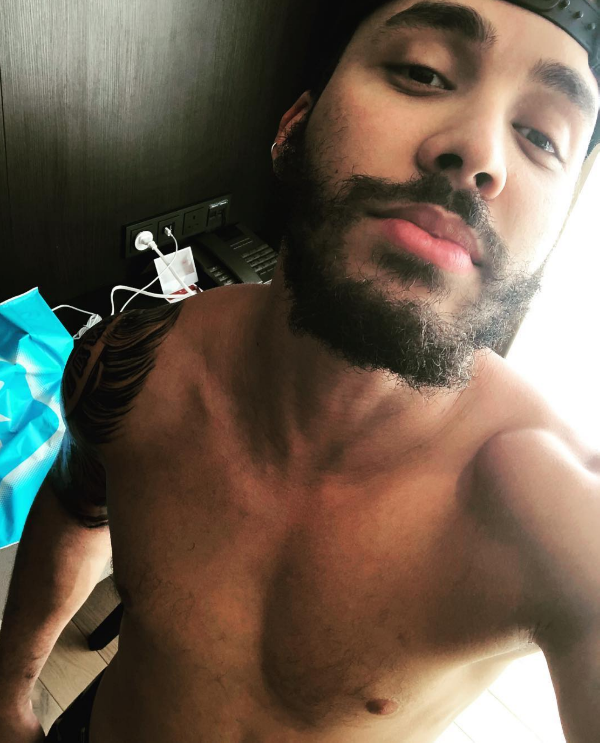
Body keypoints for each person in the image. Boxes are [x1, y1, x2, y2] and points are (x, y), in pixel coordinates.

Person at [1, 0, 599, 740]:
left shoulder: (559, 513)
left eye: (541, 136)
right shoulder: (135, 364)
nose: (481, 153)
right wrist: (10, 696)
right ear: (295, 126)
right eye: (422, 72)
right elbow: (74, 508)